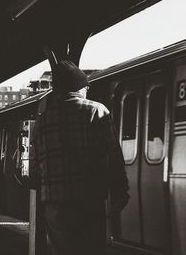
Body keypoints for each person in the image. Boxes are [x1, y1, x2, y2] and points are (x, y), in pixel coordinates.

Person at [32, 60, 129, 255]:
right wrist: (120, 190)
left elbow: (36, 164)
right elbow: (112, 155)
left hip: (55, 205)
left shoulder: (42, 121)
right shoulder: (96, 111)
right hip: (88, 201)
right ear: (81, 87)